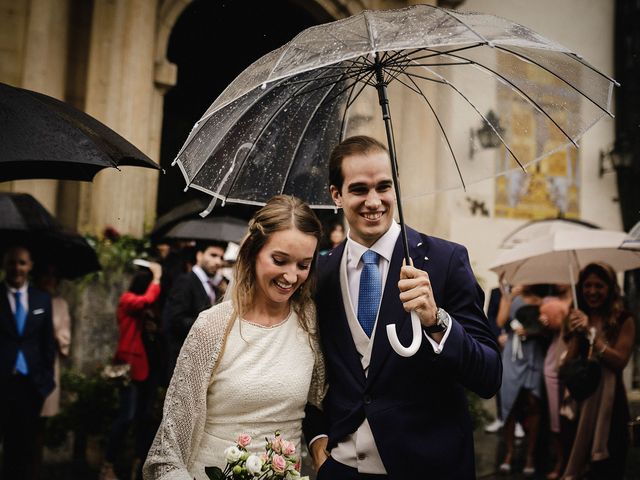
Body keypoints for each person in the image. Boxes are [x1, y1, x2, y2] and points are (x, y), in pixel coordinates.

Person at [303, 135, 502, 479]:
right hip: (342, 469)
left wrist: (437, 320)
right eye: (359, 189)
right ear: (336, 194)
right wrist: (318, 440)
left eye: (384, 187)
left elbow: (489, 376)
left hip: (428, 467)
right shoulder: (320, 275)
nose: (374, 201)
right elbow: (307, 370)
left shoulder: (445, 261)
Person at [143, 195, 326, 480]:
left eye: (303, 265)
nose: (291, 277)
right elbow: (167, 455)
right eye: (280, 260)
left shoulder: (310, 321)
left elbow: (327, 404)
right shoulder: (212, 326)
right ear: (253, 252)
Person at [561, 262, 635, 480]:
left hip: (610, 409)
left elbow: (620, 361)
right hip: (578, 404)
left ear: (610, 288)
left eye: (599, 286)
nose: (592, 291)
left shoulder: (624, 319)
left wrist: (591, 335)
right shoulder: (576, 316)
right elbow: (566, 368)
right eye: (587, 285)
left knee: (607, 470)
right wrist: (576, 334)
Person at [101, 261, 163, 480]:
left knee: (143, 418)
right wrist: (156, 278)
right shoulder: (128, 300)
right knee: (125, 417)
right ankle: (107, 465)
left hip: (148, 367)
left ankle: (137, 465)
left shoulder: (148, 310)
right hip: (131, 368)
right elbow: (146, 299)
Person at [0, 245, 56, 480]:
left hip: (30, 386)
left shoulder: (41, 299)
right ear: (5, 265)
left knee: (22, 450)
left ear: (30, 266)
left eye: (22, 263)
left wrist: (45, 383)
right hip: (1, 382)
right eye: (12, 262)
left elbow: (47, 345)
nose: (17, 268)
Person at [496, 283, 551, 477]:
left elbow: (547, 331)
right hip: (512, 354)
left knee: (534, 403)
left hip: (533, 354)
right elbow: (500, 320)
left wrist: (535, 330)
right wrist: (509, 298)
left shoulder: (543, 299)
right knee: (509, 404)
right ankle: (509, 452)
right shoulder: (511, 296)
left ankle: (530, 455)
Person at [162, 239, 227, 382]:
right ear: (199, 255)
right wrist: (212, 325)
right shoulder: (186, 281)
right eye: (213, 255)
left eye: (221, 257)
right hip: (183, 362)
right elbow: (176, 320)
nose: (218, 262)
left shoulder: (216, 285)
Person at [32, 263, 72, 479]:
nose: (49, 279)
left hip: (48, 368)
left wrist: (50, 330)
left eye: (53, 275)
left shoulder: (59, 304)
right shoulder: (26, 299)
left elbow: (65, 341)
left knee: (39, 426)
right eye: (44, 274)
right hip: (25, 368)